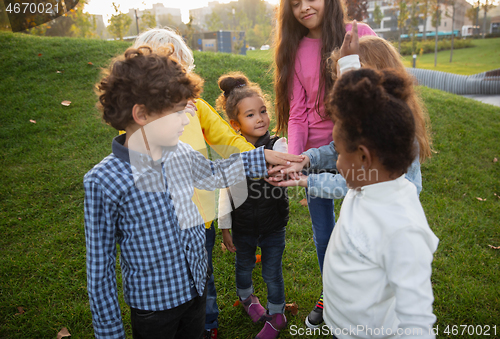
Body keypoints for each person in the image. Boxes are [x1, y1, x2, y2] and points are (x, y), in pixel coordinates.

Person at [83, 46, 303, 339]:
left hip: (196, 291)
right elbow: (100, 271)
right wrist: (110, 334)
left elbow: (216, 174)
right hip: (154, 309)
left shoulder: (180, 152)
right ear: (141, 114)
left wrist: (260, 157)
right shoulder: (104, 181)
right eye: (179, 112)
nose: (188, 121)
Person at [133, 27, 255, 339]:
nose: (172, 77)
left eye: (179, 69)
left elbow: (227, 139)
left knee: (202, 275)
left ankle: (207, 324)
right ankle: (167, 319)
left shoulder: (196, 106)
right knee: (166, 276)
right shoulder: (139, 114)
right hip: (158, 217)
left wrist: (261, 157)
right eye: (161, 68)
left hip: (199, 215)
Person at [273, 0, 376, 328]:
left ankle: (366, 292)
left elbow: (381, 89)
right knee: (323, 234)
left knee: (360, 226)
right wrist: (296, 161)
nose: (303, 7)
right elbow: (298, 111)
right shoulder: (295, 48)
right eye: (295, 3)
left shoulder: (358, 35)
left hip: (357, 150)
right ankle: (332, 294)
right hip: (316, 156)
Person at [322, 68, 439, 338]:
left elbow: (418, 323)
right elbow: (365, 109)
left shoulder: (402, 230)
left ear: (363, 158)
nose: (337, 163)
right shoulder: (369, 182)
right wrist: (350, 63)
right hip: (343, 326)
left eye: (339, 153)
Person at [269, 24, 432, 199]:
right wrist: (306, 160)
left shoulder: (392, 129)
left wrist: (305, 180)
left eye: (344, 81)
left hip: (388, 218)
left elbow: (357, 182)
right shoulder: (371, 119)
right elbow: (339, 148)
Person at [215, 73, 289, 339]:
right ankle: (247, 298)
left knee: (272, 272)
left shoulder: (276, 144)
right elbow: (225, 192)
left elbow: (289, 166)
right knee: (243, 266)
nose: (260, 118)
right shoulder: (233, 154)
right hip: (243, 226)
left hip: (272, 225)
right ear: (234, 124)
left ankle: (277, 314)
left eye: (263, 111)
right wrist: (225, 227)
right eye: (250, 115)